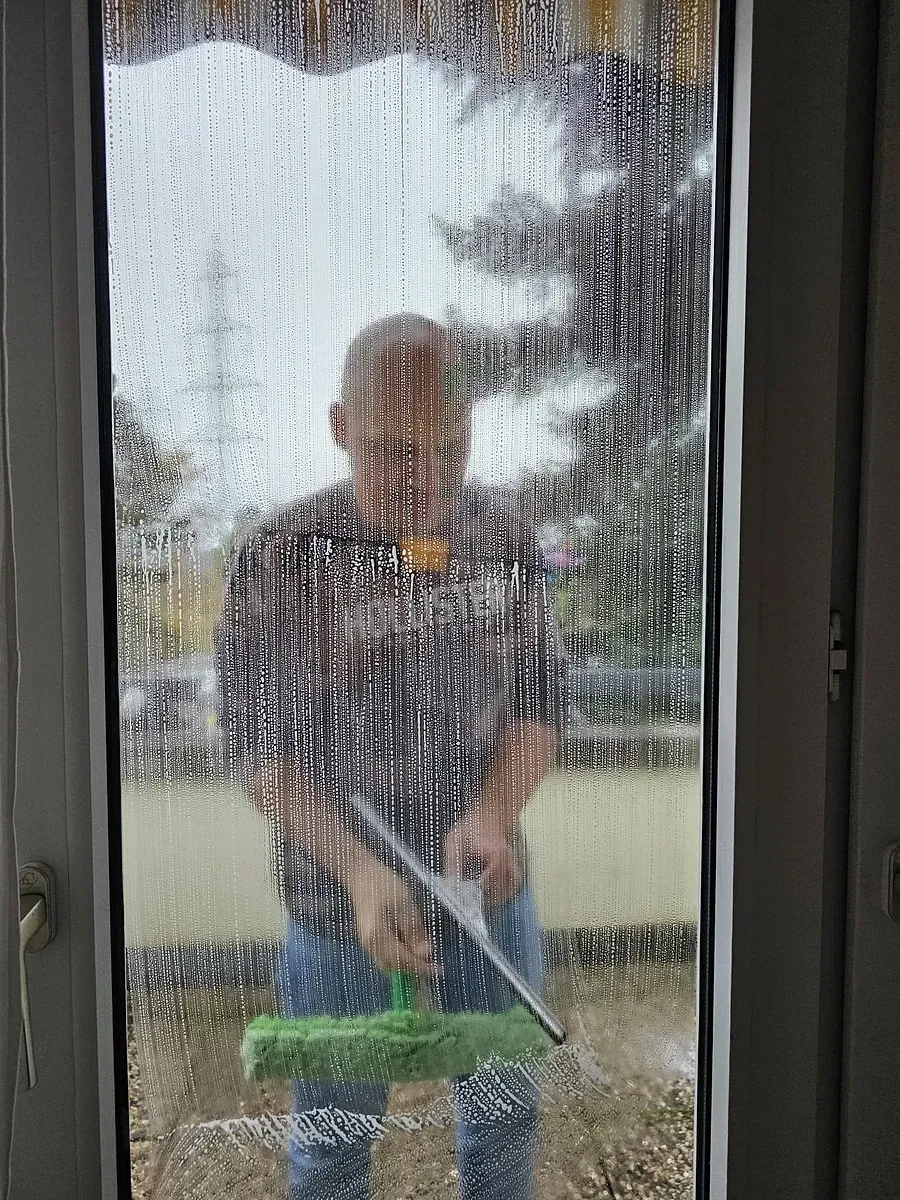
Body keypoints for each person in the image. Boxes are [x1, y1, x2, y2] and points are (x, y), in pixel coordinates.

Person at [215, 313, 566, 1200]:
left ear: (474, 423)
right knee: (333, 1147)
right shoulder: (282, 559)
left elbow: (539, 708)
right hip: (337, 911)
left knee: (503, 1123)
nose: (424, 481)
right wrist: (361, 869)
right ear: (339, 428)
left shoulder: (504, 540)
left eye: (447, 449)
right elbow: (263, 753)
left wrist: (490, 813)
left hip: (491, 895)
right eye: (392, 451)